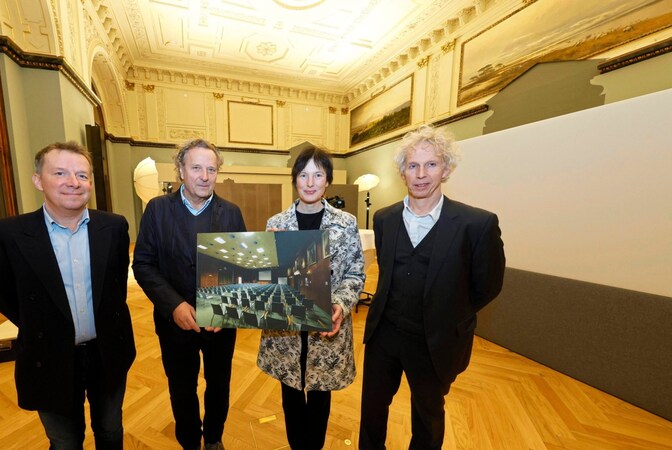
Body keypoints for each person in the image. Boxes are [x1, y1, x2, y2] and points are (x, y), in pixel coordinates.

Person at [0, 141, 135, 449]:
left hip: (107, 352)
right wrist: (45, 324)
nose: (73, 183)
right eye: (60, 173)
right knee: (64, 441)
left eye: (82, 175)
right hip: (47, 356)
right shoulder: (4, 235)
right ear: (38, 180)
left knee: (111, 431)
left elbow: (115, 285)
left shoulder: (114, 227)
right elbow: (4, 295)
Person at [359, 125, 506, 449]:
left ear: (447, 169)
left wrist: (446, 314)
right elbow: (388, 271)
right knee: (371, 412)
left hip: (434, 341)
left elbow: (488, 286)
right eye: (413, 165)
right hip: (384, 334)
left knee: (427, 417)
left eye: (431, 164)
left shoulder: (476, 224)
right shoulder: (384, 220)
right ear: (402, 172)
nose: (421, 174)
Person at [133, 139, 246, 450]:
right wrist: (174, 305)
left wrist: (228, 309)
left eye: (211, 169)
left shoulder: (232, 213)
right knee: (181, 387)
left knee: (219, 385)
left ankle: (213, 438)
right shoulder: (157, 210)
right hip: (175, 324)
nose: (205, 176)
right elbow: (143, 263)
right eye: (196, 167)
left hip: (220, 324)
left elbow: (242, 268)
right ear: (181, 170)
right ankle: (189, 442)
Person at [257, 145, 366, 450]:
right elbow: (264, 282)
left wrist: (341, 305)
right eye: (303, 174)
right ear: (295, 179)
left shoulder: (345, 224)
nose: (310, 182)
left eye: (318, 174)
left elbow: (355, 275)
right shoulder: (276, 223)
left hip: (326, 328)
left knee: (320, 394)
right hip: (286, 331)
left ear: (328, 180)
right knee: (290, 395)